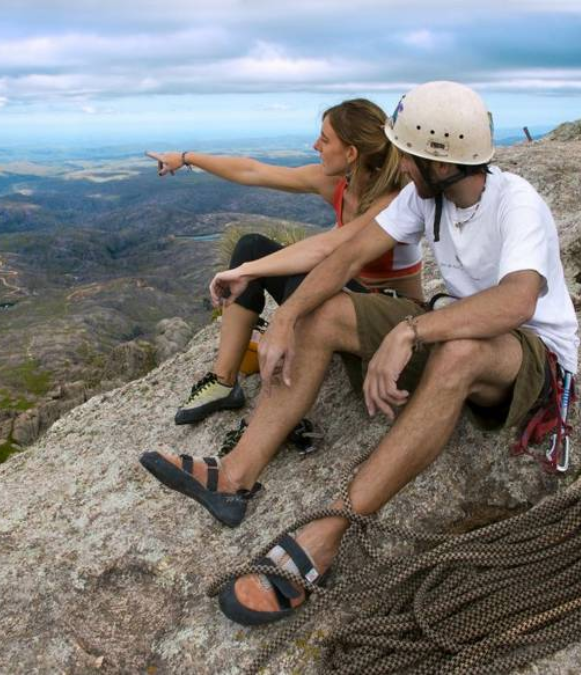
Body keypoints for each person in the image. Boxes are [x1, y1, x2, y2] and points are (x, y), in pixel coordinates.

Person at [143, 81, 578, 626]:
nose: (401, 161)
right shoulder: (426, 196)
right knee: (327, 312)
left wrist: (411, 334)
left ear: (439, 164)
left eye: (410, 154)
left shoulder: (517, 204)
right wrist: (291, 318)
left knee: (460, 352)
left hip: (531, 356)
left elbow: (516, 301)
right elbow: (348, 256)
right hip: (458, 328)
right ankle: (234, 475)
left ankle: (328, 533)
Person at [147, 99, 420, 426]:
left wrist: (244, 273)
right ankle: (223, 381)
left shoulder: (392, 201)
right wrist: (186, 158)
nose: (315, 145)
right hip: (346, 298)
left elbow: (327, 248)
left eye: (325, 139)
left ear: (351, 154)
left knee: (301, 277)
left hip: (382, 320)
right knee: (250, 246)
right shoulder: (335, 183)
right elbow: (254, 171)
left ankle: (284, 413)